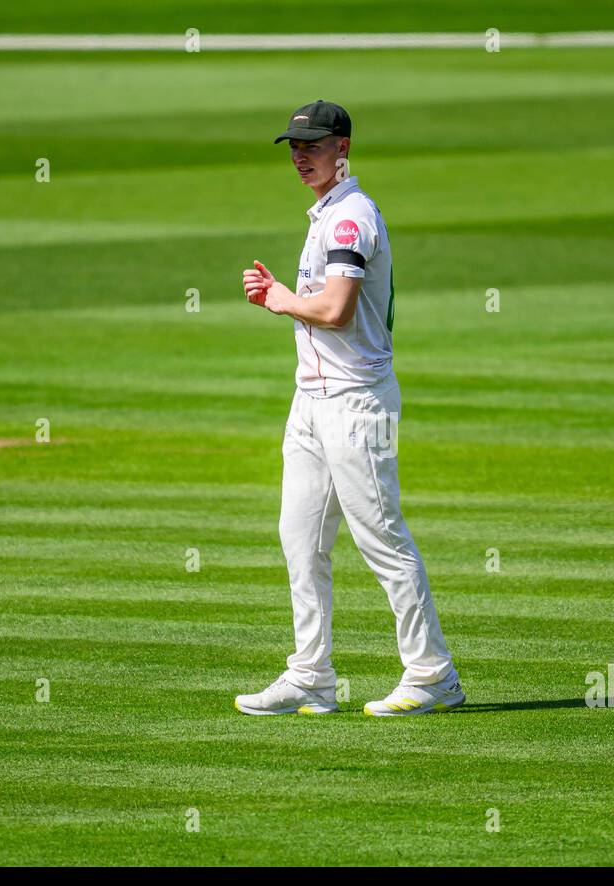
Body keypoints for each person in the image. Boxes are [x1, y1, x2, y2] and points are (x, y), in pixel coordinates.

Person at [236, 100, 464, 717]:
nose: (300, 156)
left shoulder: (348, 219)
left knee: (381, 538)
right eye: (294, 147)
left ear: (344, 148)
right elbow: (327, 304)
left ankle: (432, 674)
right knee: (300, 539)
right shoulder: (327, 215)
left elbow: (336, 310)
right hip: (311, 399)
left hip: (357, 402)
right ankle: (310, 676)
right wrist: (279, 295)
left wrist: (283, 300)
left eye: (312, 145)